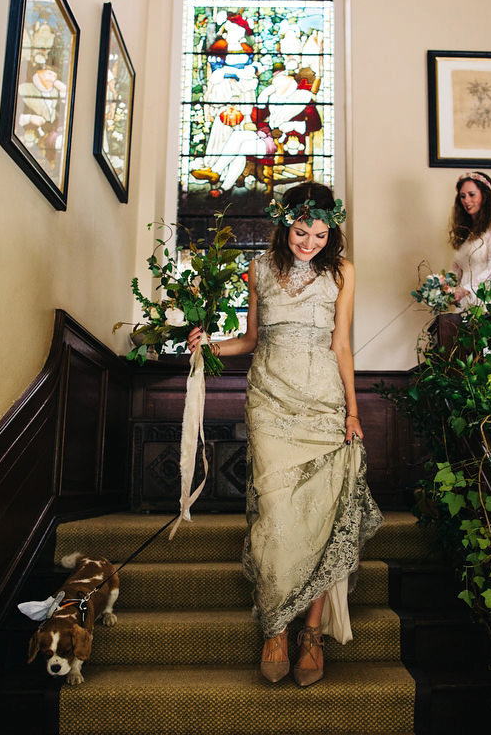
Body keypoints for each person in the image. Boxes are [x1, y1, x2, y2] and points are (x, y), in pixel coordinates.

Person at [186, 182, 383, 688]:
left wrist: (354, 414)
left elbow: (342, 346)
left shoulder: (343, 271)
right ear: (284, 224)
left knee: (321, 519)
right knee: (275, 518)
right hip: (270, 404)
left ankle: (311, 632)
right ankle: (275, 624)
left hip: (323, 407)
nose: (310, 242)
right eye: (301, 232)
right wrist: (208, 345)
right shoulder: (260, 270)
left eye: (320, 234)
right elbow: (250, 340)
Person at [446, 171, 491, 308]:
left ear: (484, 196)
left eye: (471, 194)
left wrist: (466, 289)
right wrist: (441, 287)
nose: (466, 200)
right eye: (462, 196)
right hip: (468, 301)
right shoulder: (466, 232)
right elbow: (456, 269)